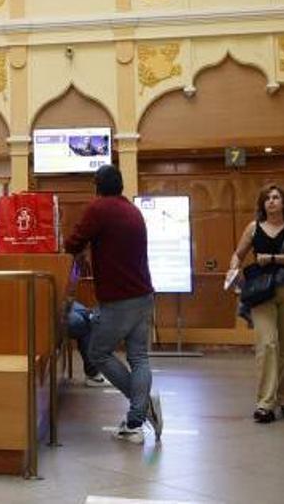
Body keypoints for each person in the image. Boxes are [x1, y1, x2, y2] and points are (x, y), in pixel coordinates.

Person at [64, 164, 162, 444]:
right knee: (139, 357)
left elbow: (73, 242)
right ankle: (135, 421)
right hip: (144, 295)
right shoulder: (132, 210)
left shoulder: (99, 208)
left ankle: (140, 409)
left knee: (98, 353)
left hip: (118, 299)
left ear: (97, 185)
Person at [228, 185, 284, 423]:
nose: (272, 202)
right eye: (267, 199)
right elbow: (238, 253)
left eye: (276, 198)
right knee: (267, 344)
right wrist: (233, 269)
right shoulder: (253, 228)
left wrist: (273, 258)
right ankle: (265, 403)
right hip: (261, 292)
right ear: (263, 205)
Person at [65, 301, 110, 387]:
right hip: (45, 308)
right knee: (81, 323)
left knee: (88, 315)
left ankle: (94, 373)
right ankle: (93, 374)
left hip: (60, 302)